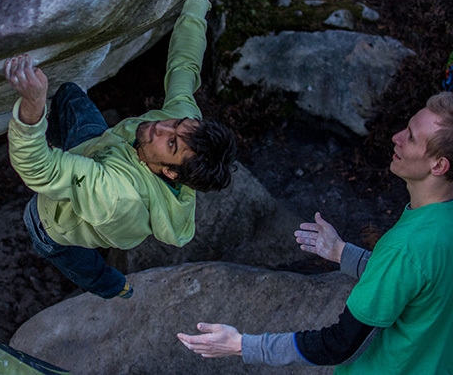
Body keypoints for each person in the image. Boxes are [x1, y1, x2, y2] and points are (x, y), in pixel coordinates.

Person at [3, 0, 238, 300]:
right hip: (101, 149)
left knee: (80, 262)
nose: (160, 127)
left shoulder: (116, 195)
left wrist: (32, 108)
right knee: (68, 95)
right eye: (175, 123)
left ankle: (116, 287)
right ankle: (68, 165)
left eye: (170, 143)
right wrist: (196, 4)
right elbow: (184, 70)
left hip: (51, 222)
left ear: (171, 174)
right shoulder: (185, 132)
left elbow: (38, 170)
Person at [177, 92, 453, 373]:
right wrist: (342, 253)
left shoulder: (404, 248)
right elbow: (418, 283)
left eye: (411, 137)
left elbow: (340, 344)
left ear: (439, 165)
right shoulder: (441, 222)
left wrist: (241, 344)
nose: (396, 137)